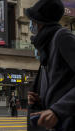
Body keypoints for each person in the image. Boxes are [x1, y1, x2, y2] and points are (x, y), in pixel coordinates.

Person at [26, 0, 75, 130]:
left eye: (32, 20)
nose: (31, 24)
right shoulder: (47, 44)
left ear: (40, 22)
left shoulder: (62, 37)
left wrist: (58, 110)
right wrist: (39, 100)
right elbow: (60, 85)